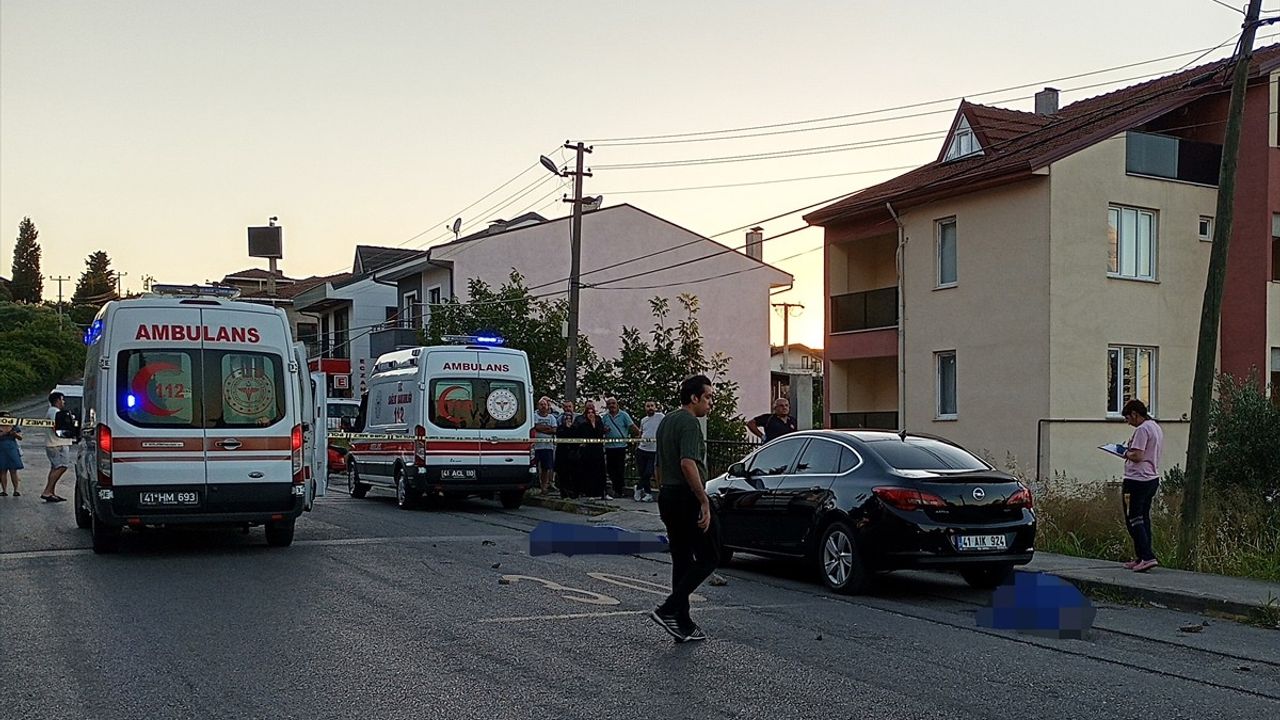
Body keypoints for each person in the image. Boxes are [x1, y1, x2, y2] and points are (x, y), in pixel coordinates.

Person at [650, 375, 719, 643]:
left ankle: (683, 621)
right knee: (710, 556)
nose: (711, 403)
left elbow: (658, 464)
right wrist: (703, 500)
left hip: (668, 494)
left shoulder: (666, 421)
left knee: (681, 559)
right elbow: (688, 464)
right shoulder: (690, 423)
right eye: (708, 397)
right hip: (687, 496)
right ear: (694, 398)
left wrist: (661, 491)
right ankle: (668, 609)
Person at [1119, 399, 1164, 573]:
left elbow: (1137, 455)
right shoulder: (1155, 427)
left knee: (1134, 519)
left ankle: (1147, 556)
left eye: (1128, 417)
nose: (1127, 421)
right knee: (1144, 518)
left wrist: (1123, 452)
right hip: (1151, 478)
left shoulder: (1142, 429)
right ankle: (1142, 556)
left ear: (1135, 414)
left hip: (1136, 480)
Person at [42, 391, 78, 502]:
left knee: (55, 468)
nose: (64, 402)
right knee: (62, 466)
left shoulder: (53, 411)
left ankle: (51, 492)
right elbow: (55, 426)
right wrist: (68, 433)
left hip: (55, 443)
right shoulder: (55, 412)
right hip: (57, 444)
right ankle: (47, 491)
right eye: (62, 400)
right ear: (57, 401)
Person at [601, 397, 641, 499]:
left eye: (613, 403)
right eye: (609, 404)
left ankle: (619, 490)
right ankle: (615, 488)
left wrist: (638, 437)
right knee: (610, 469)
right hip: (609, 447)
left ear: (617, 404)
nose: (611, 406)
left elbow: (633, 427)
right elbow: (600, 430)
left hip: (620, 447)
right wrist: (604, 430)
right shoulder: (605, 417)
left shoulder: (623, 415)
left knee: (619, 469)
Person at [574, 400, 609, 500]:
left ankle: (602, 492)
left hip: (598, 450)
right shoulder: (583, 423)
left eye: (592, 412)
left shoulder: (598, 421)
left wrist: (594, 423)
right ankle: (590, 493)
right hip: (587, 451)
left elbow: (600, 433)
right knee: (589, 472)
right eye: (588, 412)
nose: (590, 414)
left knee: (600, 471)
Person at [634, 400, 664, 502]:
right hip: (642, 449)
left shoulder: (660, 417)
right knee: (643, 473)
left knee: (648, 472)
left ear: (655, 407)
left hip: (654, 450)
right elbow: (641, 433)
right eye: (648, 406)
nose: (650, 408)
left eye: (652, 406)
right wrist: (637, 444)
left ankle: (638, 487)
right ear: (645, 408)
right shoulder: (643, 420)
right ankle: (648, 493)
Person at [532, 397, 558, 493]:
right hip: (535, 446)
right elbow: (535, 427)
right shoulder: (534, 416)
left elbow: (554, 430)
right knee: (534, 467)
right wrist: (548, 428)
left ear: (548, 406)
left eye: (545, 404)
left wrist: (541, 428)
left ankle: (544, 487)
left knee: (546, 468)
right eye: (541, 404)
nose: (543, 406)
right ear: (538, 406)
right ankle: (534, 486)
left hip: (547, 446)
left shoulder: (551, 417)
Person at [555, 401, 579, 498]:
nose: (568, 408)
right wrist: (566, 428)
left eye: (569, 406)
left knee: (574, 474)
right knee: (562, 474)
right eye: (565, 407)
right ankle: (564, 493)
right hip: (562, 453)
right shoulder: (560, 426)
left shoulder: (576, 425)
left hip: (573, 453)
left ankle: (574, 492)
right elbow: (559, 436)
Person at [0, 412, 23, 497]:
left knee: (13, 470)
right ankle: (4, 490)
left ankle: (16, 490)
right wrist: (5, 433)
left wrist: (14, 434)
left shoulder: (13, 426)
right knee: (2, 470)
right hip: (1, 448)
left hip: (12, 448)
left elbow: (20, 437)